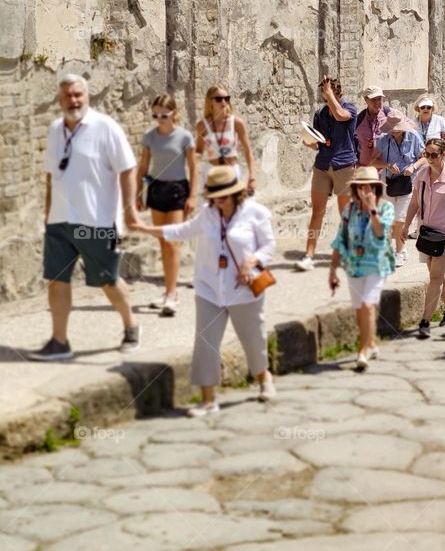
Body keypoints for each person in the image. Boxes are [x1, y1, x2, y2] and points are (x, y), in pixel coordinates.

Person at [132, 166, 276, 415]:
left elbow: (269, 245)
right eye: (215, 196)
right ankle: (208, 400)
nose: (219, 200)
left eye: (224, 195)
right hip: (209, 287)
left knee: (253, 338)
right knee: (206, 343)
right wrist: (146, 230)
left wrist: (252, 260)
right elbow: (181, 230)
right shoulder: (208, 215)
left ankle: (264, 379)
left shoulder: (255, 213)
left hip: (243, 288)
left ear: (236, 193)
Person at [30, 75, 141, 361]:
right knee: (57, 279)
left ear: (87, 96)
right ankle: (59, 341)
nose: (73, 100)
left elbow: (128, 169)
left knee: (107, 279)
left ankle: (131, 325)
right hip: (59, 220)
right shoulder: (56, 129)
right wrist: (47, 213)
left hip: (97, 222)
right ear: (60, 98)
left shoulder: (106, 128)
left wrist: (129, 211)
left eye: (78, 94)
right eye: (67, 95)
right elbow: (51, 176)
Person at [137, 94, 198, 316]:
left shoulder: (184, 137)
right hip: (156, 189)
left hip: (177, 191)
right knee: (163, 243)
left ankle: (171, 294)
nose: (159, 119)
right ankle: (168, 291)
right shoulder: (150, 137)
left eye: (164, 114)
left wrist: (192, 196)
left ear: (174, 113)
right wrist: (137, 192)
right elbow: (143, 166)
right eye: (155, 115)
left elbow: (193, 168)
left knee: (173, 242)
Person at [329, 167, 396, 371]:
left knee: (367, 306)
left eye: (369, 186)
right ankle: (372, 342)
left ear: (376, 188)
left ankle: (362, 351)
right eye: (361, 186)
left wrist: (372, 208)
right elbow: (340, 238)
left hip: (377, 264)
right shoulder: (349, 210)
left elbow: (379, 233)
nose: (364, 190)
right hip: (354, 265)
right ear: (355, 188)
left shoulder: (385, 208)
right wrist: (332, 269)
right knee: (360, 309)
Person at [402, 138, 445, 338]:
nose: (430, 158)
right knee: (437, 274)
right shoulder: (421, 175)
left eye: (434, 155)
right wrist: (405, 227)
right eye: (426, 154)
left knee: (434, 277)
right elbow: (414, 204)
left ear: (443, 155)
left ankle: (425, 321)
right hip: (427, 233)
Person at [296, 76, 358, 272]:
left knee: (346, 214)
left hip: (345, 166)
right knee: (317, 212)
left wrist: (329, 93)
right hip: (323, 165)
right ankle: (309, 255)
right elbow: (318, 143)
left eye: (332, 93)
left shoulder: (350, 108)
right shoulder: (320, 114)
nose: (328, 99)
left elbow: (340, 115)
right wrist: (308, 142)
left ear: (340, 93)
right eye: (325, 95)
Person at [370, 112, 425, 267]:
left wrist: (413, 166)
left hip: (408, 183)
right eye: (392, 129)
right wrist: (387, 165)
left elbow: (424, 157)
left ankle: (399, 252)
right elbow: (372, 161)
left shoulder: (413, 137)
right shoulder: (383, 140)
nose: (395, 132)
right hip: (389, 184)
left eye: (398, 129)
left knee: (400, 220)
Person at [196, 86, 255, 190]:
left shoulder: (236, 123)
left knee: (236, 204)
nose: (223, 102)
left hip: (232, 170)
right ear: (210, 102)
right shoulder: (203, 125)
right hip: (212, 171)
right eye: (218, 99)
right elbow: (199, 151)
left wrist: (252, 177)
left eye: (226, 98)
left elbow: (247, 150)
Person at [355, 85, 391, 167]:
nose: (377, 102)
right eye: (373, 99)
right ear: (366, 100)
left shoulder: (388, 114)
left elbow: (409, 126)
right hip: (364, 169)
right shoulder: (359, 119)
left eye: (379, 99)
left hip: (385, 170)